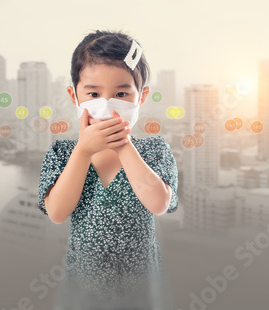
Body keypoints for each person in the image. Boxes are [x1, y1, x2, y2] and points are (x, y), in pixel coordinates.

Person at [37, 30, 178, 310]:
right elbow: (57, 213)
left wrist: (123, 145)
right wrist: (83, 151)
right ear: (74, 95)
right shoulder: (62, 154)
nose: (106, 103)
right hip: (82, 287)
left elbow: (159, 204)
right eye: (93, 93)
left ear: (141, 97)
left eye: (121, 93)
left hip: (143, 288)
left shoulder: (155, 151)